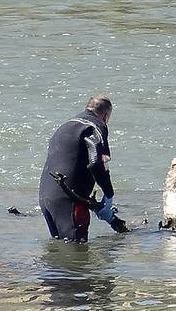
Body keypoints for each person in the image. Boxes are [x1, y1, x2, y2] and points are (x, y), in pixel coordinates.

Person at [39, 94, 126, 242]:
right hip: (70, 201)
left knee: (60, 253)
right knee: (77, 256)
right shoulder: (96, 127)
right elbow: (95, 161)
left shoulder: (65, 126)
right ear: (105, 116)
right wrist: (108, 194)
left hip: (46, 197)